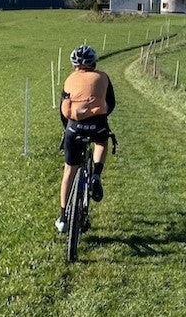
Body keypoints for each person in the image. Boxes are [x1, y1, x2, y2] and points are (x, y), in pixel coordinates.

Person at [55, 45, 116, 233]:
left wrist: (68, 130)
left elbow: (63, 111)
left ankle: (64, 217)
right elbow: (111, 104)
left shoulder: (69, 80)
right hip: (97, 124)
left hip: (74, 127)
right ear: (94, 62)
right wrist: (100, 118)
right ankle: (96, 175)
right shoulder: (103, 77)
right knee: (101, 143)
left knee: (68, 173)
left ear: (74, 65)